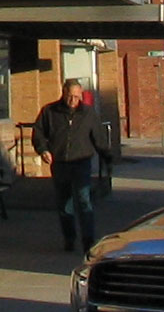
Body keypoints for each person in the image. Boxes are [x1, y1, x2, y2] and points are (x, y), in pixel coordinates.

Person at [31, 79, 112, 255]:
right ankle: (69, 238)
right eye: (70, 96)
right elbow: (38, 133)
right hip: (60, 163)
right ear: (63, 93)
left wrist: (107, 156)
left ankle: (88, 240)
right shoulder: (50, 111)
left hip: (81, 161)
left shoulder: (88, 113)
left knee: (84, 200)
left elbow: (98, 138)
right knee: (64, 203)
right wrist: (43, 150)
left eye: (77, 96)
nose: (73, 100)